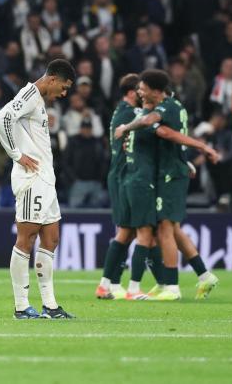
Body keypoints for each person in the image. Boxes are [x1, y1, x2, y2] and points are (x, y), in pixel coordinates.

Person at [116, 70, 220, 300]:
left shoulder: (165, 108)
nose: (140, 93)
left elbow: (161, 129)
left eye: (143, 89)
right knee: (172, 229)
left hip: (170, 176)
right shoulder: (173, 107)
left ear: (156, 91)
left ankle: (171, 287)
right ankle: (203, 275)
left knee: (164, 228)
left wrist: (126, 128)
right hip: (171, 172)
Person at [0, 58, 76, 319]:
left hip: (45, 179)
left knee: (51, 239)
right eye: (63, 88)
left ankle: (50, 306)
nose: (63, 94)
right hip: (31, 179)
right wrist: (16, 155)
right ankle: (21, 306)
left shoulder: (39, 101)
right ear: (52, 79)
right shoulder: (29, 93)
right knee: (26, 239)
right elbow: (1, 119)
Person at [95, 74, 139, 300]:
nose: (142, 94)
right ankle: (108, 283)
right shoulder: (130, 113)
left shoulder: (123, 110)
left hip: (122, 175)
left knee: (129, 232)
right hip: (123, 176)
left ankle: (109, 283)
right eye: (140, 90)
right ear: (131, 93)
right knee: (125, 231)